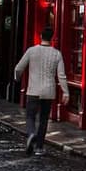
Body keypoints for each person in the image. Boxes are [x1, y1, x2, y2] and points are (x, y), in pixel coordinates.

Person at [14, 26, 69, 155]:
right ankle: (39, 147)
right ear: (52, 39)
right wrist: (66, 91)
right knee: (44, 119)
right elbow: (61, 75)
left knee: (30, 116)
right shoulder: (57, 54)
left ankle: (31, 133)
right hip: (49, 91)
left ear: (41, 37)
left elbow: (18, 68)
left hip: (33, 90)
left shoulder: (31, 51)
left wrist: (17, 78)